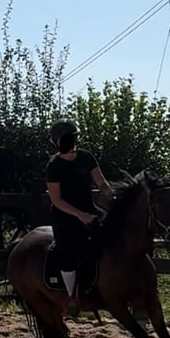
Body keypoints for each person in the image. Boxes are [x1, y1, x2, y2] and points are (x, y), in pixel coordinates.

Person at [45, 118, 112, 316]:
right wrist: (80, 215)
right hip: (64, 216)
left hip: (89, 210)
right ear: (57, 142)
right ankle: (71, 296)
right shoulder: (53, 166)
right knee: (67, 253)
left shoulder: (86, 157)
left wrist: (109, 195)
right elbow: (56, 200)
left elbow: (101, 183)